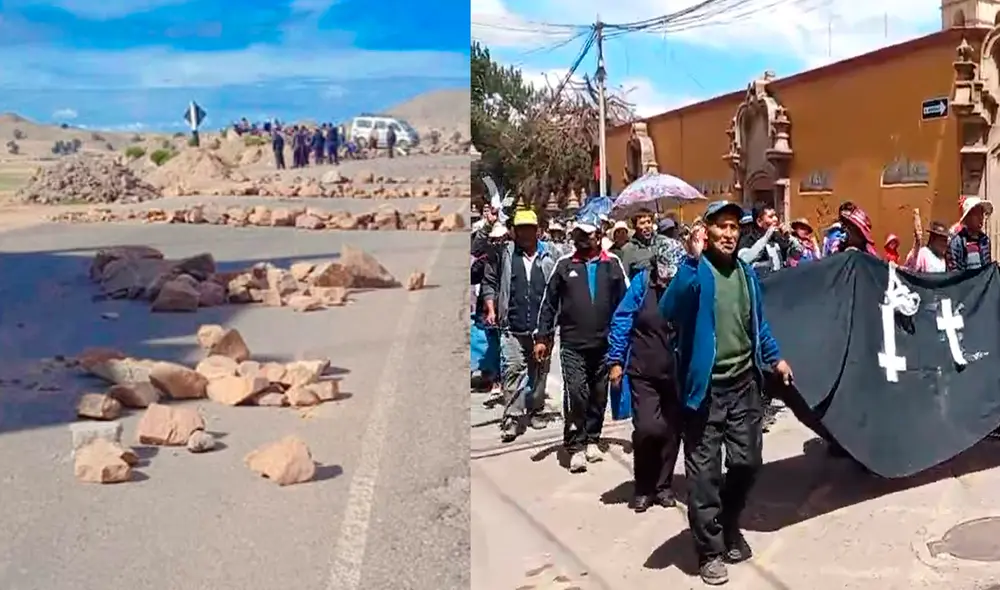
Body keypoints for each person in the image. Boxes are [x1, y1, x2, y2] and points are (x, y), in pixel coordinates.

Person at [658, 200, 793, 586]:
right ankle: (710, 550)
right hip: (704, 392)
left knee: (748, 463)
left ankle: (729, 522)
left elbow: (758, 325)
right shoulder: (695, 272)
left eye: (735, 227)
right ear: (707, 231)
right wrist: (689, 260)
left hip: (744, 386)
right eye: (722, 227)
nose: (729, 234)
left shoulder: (747, 275)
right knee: (703, 476)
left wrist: (776, 358)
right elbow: (668, 308)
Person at [535, 214, 629, 473]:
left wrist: (627, 339)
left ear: (598, 236)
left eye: (586, 235)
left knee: (600, 394)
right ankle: (575, 445)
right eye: (577, 235)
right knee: (577, 393)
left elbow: (626, 304)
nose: (581, 239)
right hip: (572, 344)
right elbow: (549, 303)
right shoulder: (564, 265)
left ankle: (592, 439)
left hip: (604, 344)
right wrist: (542, 336)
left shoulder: (613, 265)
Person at [608, 250, 681, 512]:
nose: (666, 284)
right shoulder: (641, 283)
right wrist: (615, 359)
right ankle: (643, 486)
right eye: (663, 278)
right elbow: (622, 319)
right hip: (643, 371)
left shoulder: (683, 282)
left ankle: (663, 486)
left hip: (676, 373)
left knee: (672, 432)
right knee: (649, 428)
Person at [483, 210, 557, 442]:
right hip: (512, 327)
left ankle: (536, 410)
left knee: (539, 372)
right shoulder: (504, 254)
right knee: (513, 371)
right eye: (520, 228)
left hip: (542, 329)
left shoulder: (551, 254)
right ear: (514, 231)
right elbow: (489, 281)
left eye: (529, 228)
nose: (524, 233)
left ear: (537, 230)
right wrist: (492, 309)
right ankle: (512, 418)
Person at [736, 202, 801, 277]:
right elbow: (744, 259)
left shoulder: (777, 237)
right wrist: (766, 237)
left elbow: (798, 251)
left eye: (775, 215)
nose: (775, 219)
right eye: (771, 217)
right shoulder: (748, 239)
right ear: (759, 222)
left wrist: (788, 236)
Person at [620, 208, 685, 279]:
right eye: (642, 223)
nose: (647, 226)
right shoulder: (628, 249)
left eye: (649, 222)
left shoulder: (663, 241)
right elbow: (625, 277)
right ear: (635, 227)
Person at [948, 196, 993, 271]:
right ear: (967, 217)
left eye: (981, 214)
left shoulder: (985, 240)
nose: (980, 218)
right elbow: (954, 271)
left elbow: (987, 267)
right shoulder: (957, 242)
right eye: (976, 214)